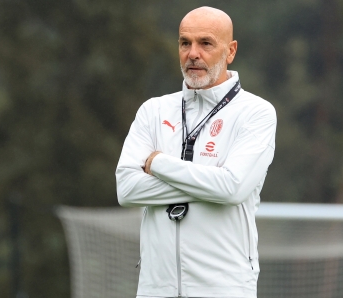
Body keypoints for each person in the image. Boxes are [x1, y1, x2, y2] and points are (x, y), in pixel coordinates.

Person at [115, 6, 276, 298]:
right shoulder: (153, 110)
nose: (192, 54)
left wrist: (159, 163)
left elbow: (232, 188)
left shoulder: (257, 113)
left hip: (224, 289)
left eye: (205, 43)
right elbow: (126, 190)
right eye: (185, 42)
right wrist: (211, 182)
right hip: (155, 288)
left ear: (230, 51)